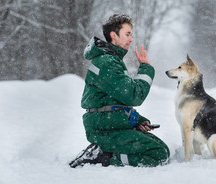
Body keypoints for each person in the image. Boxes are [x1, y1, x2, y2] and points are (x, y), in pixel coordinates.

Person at [69, 14, 170, 168]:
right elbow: (133, 96)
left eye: (131, 35)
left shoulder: (110, 60)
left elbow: (115, 101)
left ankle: (105, 152)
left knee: (157, 145)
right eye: (127, 34)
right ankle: (104, 157)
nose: (131, 39)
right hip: (104, 130)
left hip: (108, 125)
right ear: (113, 35)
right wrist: (146, 68)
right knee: (159, 153)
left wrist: (137, 120)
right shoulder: (107, 62)